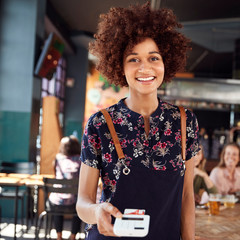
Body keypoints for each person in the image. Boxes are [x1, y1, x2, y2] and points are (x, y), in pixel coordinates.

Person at [76, 3, 199, 240]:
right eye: (133, 59)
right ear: (119, 66)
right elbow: (83, 203)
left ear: (166, 63)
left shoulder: (185, 122)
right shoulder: (100, 123)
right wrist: (96, 211)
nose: (145, 67)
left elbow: (186, 198)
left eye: (154, 57)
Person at [49, 136, 82, 240]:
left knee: (56, 200)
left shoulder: (57, 159)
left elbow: (56, 177)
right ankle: (73, 236)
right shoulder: (81, 160)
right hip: (74, 203)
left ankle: (59, 236)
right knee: (80, 205)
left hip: (57, 203)